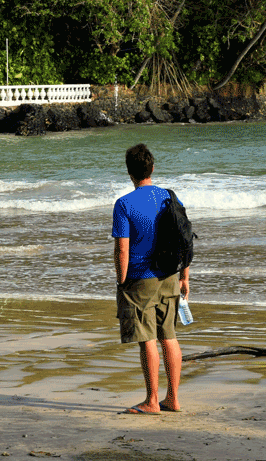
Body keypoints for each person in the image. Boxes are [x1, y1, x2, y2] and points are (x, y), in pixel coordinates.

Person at [112, 143, 189, 414]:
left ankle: (152, 401)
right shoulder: (170, 197)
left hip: (140, 278)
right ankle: (174, 399)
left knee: (147, 339)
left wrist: (122, 281)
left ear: (129, 173)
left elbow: (122, 247)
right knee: (168, 335)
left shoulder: (124, 204)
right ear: (152, 168)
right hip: (169, 275)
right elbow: (184, 238)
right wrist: (184, 276)